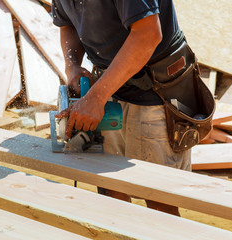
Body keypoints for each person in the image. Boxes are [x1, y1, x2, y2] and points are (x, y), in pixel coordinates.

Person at [52, 0, 194, 216]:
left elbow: (147, 35)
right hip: (110, 82)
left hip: (155, 88)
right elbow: (67, 24)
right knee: (110, 186)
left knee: (158, 198)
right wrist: (72, 67)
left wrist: (96, 98)